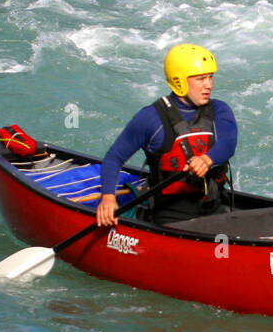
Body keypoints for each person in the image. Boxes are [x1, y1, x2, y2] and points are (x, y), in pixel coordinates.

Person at [96, 43, 237, 226]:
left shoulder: (220, 110)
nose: (208, 85)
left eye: (210, 77)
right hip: (171, 215)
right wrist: (108, 198)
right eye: (201, 79)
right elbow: (114, 158)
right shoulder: (150, 118)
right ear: (179, 81)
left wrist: (206, 160)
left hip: (213, 206)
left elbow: (228, 142)